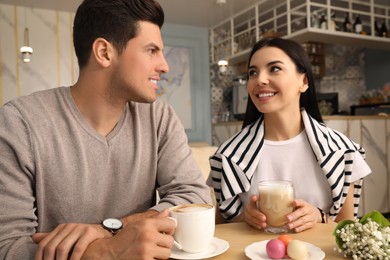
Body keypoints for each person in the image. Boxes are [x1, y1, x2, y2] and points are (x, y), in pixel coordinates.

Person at [0, 0, 212, 259]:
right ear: (104, 52)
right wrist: (105, 251)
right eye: (152, 50)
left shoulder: (160, 117)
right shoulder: (19, 123)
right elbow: (7, 245)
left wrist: (110, 230)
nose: (164, 65)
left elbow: (193, 195)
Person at [208, 37, 371, 233]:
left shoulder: (344, 152)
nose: (260, 79)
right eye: (253, 72)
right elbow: (218, 232)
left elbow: (348, 231)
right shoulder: (227, 156)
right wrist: (244, 217)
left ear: (303, 81)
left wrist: (320, 217)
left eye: (274, 68)